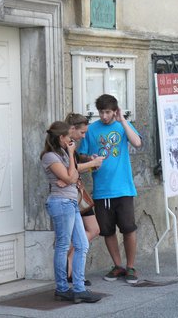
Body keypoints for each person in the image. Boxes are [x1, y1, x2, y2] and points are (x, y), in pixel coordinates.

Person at [78, 94, 143, 284]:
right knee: (107, 231)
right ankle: (117, 265)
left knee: (128, 228)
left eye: (108, 112)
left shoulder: (123, 126)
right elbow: (81, 155)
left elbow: (137, 143)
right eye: (101, 113)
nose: (104, 116)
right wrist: (89, 159)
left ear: (115, 111)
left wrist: (123, 121)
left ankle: (131, 267)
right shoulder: (92, 130)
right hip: (102, 190)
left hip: (123, 188)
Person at [42, 121, 100, 304]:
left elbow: (73, 177)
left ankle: (79, 288)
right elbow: (70, 177)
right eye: (68, 137)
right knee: (62, 245)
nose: (71, 140)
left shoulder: (63, 154)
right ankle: (61, 288)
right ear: (61, 137)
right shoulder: (50, 156)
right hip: (61, 203)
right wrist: (71, 161)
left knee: (82, 244)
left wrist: (69, 176)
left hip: (71, 202)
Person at [64, 113, 104, 286]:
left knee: (94, 229)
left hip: (79, 193)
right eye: (82, 132)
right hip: (71, 195)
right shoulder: (63, 145)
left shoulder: (71, 145)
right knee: (90, 230)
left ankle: (70, 261)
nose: (84, 136)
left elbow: (77, 159)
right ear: (72, 129)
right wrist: (91, 164)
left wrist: (89, 159)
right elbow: (69, 168)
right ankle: (70, 268)